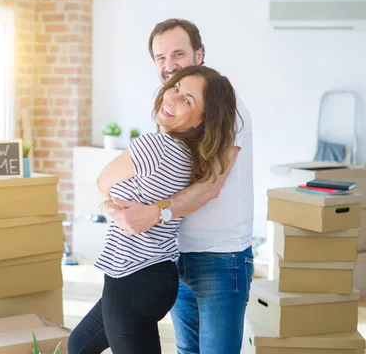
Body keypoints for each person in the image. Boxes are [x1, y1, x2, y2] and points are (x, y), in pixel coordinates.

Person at [103, 19, 254, 354]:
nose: (168, 65)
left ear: (199, 54)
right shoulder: (169, 108)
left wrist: (157, 213)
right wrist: (117, 207)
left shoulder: (227, 110)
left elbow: (210, 186)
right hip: (173, 255)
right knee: (187, 350)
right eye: (160, 57)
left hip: (220, 257)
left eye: (178, 54)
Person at [68, 65, 240, 354]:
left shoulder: (154, 146)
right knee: (80, 344)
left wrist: (109, 204)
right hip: (155, 277)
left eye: (187, 100)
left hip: (132, 277)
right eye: (175, 89)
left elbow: (102, 180)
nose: (172, 99)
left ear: (200, 120)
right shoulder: (192, 158)